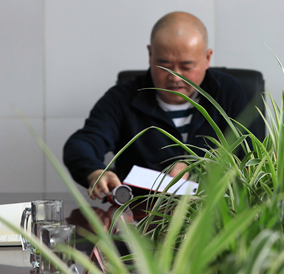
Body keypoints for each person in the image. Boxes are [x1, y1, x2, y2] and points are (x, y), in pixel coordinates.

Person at [63, 12, 248, 199]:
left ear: (207, 58)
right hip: (141, 212)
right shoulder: (122, 98)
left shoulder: (229, 93)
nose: (175, 77)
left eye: (186, 67)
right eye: (164, 65)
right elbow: (82, 143)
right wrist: (95, 171)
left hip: (217, 210)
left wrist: (196, 169)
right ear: (150, 55)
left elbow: (250, 157)